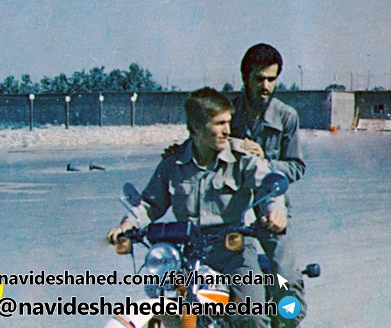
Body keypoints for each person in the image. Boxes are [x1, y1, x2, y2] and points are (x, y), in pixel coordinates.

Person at [108, 87, 286, 328]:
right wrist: (126, 225)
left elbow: (268, 188)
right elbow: (150, 203)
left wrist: (274, 212)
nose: (227, 130)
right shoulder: (173, 163)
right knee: (168, 310)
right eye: (219, 123)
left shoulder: (242, 158)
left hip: (232, 253)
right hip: (184, 256)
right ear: (197, 127)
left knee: (251, 315)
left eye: (228, 122)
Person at [231, 43, 306, 328]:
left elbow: (296, 167)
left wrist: (266, 161)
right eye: (259, 78)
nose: (265, 86)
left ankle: (286, 321)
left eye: (271, 79)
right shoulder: (228, 113)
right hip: (235, 210)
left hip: (272, 209)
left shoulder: (286, 116)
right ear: (245, 77)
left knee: (286, 279)